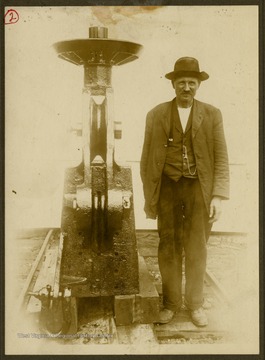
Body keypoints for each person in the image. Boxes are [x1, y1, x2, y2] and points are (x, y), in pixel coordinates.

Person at [140, 57, 229, 327]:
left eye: (192, 83)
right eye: (182, 83)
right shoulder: (156, 114)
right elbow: (146, 159)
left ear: (199, 85)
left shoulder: (212, 114)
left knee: (196, 248)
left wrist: (218, 195)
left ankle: (196, 305)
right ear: (173, 85)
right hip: (167, 187)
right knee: (168, 246)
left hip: (198, 189)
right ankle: (169, 304)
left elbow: (221, 156)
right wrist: (150, 196)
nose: (187, 88)